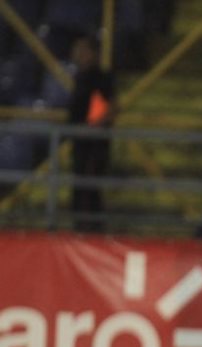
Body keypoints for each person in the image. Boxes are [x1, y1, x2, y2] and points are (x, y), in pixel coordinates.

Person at [67, 34, 116, 232]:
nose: (79, 55)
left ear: (94, 54)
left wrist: (93, 128)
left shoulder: (100, 77)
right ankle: (80, 226)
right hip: (80, 141)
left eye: (84, 50)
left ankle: (93, 229)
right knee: (80, 185)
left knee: (91, 186)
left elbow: (111, 107)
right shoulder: (79, 77)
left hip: (94, 143)